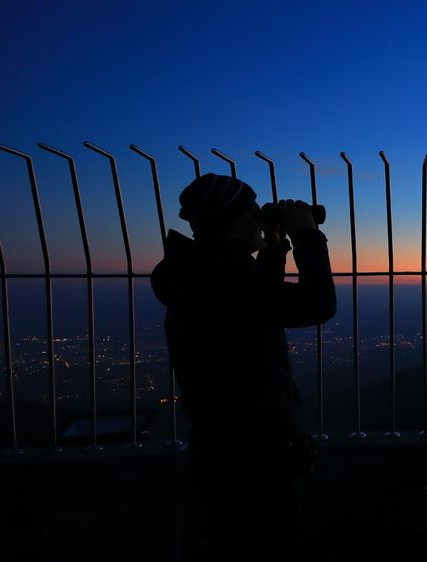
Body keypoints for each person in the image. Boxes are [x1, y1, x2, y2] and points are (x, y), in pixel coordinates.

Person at [150, 173, 335, 561]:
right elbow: (317, 304)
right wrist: (307, 236)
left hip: (225, 451)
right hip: (253, 460)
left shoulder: (201, 274)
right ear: (232, 225)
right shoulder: (223, 280)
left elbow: (254, 314)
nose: (261, 218)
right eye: (254, 213)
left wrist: (272, 251)